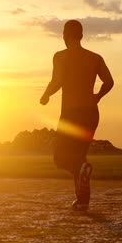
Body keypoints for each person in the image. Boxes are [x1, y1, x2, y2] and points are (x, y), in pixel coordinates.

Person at [40, 20, 114, 210]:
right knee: (80, 157)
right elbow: (109, 82)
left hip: (71, 113)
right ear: (81, 35)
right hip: (91, 113)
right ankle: (82, 201)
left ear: (65, 35)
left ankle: (81, 185)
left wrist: (46, 94)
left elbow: (57, 81)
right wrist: (97, 96)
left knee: (61, 158)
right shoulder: (95, 58)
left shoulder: (61, 57)